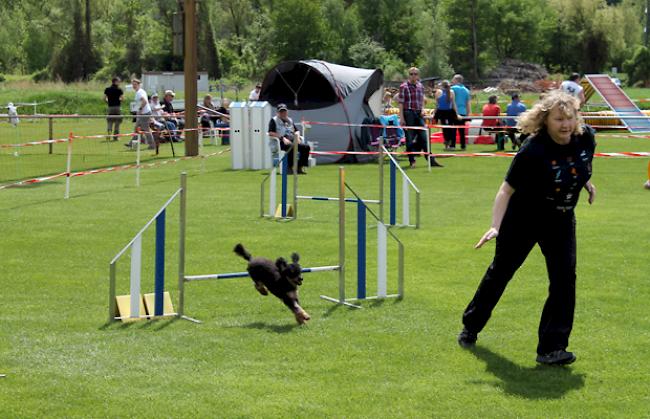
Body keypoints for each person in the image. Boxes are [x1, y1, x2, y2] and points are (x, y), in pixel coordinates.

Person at [457, 90, 597, 366]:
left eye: (570, 118)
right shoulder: (534, 149)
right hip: (524, 218)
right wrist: (495, 226)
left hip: (561, 219)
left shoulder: (586, 137)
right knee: (501, 272)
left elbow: (580, 165)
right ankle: (471, 325)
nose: (566, 124)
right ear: (546, 120)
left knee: (564, 280)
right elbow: (506, 189)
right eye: (559, 119)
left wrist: (586, 183)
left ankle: (552, 348)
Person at [398, 67, 443, 168]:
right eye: (411, 74)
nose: (413, 76)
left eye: (415, 74)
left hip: (419, 114)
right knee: (409, 138)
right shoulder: (403, 87)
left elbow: (422, 100)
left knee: (424, 137)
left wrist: (423, 109)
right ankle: (412, 161)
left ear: (418, 75)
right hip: (408, 113)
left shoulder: (420, 86)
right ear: (408, 75)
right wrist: (401, 118)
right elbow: (400, 103)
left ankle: (431, 160)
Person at [268, 103, 310, 174]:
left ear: (287, 112)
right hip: (281, 142)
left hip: (292, 139)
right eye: (281, 111)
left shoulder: (290, 120)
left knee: (306, 147)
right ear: (277, 112)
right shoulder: (274, 120)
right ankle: (289, 167)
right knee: (291, 147)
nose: (283, 113)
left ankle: (299, 167)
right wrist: (283, 138)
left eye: (284, 111)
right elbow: (270, 132)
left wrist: (298, 136)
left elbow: (296, 130)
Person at [130, 79, 155, 149]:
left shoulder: (139, 92)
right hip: (143, 113)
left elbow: (144, 101)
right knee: (137, 128)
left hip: (144, 113)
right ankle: (132, 143)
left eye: (135, 84)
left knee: (146, 129)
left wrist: (140, 109)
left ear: (139, 85)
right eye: (133, 84)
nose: (133, 86)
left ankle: (152, 145)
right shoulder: (140, 91)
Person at [433, 80, 457, 151]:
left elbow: (437, 105)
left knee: (445, 128)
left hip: (442, 112)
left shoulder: (438, 92)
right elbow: (453, 104)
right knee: (451, 128)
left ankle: (447, 143)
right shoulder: (451, 92)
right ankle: (451, 144)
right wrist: (456, 113)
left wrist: (434, 114)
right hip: (449, 111)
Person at [451, 74, 471, 150]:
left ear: (456, 80)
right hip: (463, 112)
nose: (452, 81)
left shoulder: (453, 89)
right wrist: (468, 113)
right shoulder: (466, 90)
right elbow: (468, 103)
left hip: (454, 111)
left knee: (453, 129)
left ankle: (452, 145)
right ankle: (463, 146)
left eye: (453, 79)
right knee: (462, 130)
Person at [104, 77, 124, 141]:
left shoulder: (107, 89)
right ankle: (115, 137)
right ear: (115, 82)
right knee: (117, 122)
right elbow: (122, 98)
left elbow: (104, 98)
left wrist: (108, 102)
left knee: (110, 121)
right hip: (117, 107)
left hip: (110, 107)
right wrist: (119, 100)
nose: (119, 83)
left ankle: (109, 132)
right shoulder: (119, 89)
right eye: (118, 81)